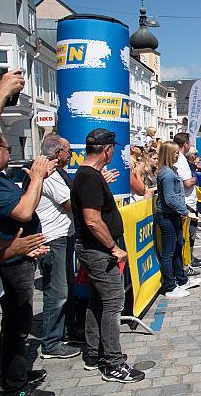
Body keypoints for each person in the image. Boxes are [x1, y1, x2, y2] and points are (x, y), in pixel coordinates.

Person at [71, 129, 144, 383]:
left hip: (94, 249)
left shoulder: (88, 175)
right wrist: (113, 247)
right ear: (107, 150)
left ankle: (94, 354)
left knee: (98, 301)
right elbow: (92, 220)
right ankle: (114, 363)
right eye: (113, 148)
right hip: (99, 250)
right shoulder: (89, 177)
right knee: (113, 303)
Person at [0, 132, 55, 394]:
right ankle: (15, 385)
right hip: (11, 261)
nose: (11, 153)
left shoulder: (4, 179)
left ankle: (16, 372)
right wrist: (38, 178)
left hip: (20, 255)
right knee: (16, 324)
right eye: (9, 148)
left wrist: (36, 181)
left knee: (17, 323)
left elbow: (28, 202)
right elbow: (23, 211)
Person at [35, 135, 82, 360]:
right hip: (53, 238)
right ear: (57, 153)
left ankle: (65, 332)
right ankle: (51, 342)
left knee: (65, 289)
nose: (70, 155)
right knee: (57, 292)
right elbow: (69, 203)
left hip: (64, 235)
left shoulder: (59, 172)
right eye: (68, 151)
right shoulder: (49, 174)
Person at [156, 142, 201, 298]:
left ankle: (181, 279)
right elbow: (169, 198)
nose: (178, 155)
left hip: (173, 214)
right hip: (167, 215)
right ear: (168, 154)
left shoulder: (171, 171)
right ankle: (170, 286)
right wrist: (185, 211)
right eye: (175, 153)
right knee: (168, 252)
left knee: (177, 247)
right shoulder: (167, 174)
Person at [173, 133, 201, 269]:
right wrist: (196, 178)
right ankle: (187, 260)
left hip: (187, 200)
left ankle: (189, 257)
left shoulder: (180, 158)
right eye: (189, 142)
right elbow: (186, 182)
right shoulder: (180, 159)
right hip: (187, 201)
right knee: (189, 233)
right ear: (185, 143)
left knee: (190, 232)